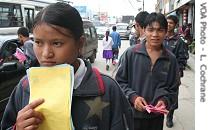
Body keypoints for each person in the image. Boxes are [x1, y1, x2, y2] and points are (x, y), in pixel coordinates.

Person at [1, 2, 133, 130]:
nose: (46, 54)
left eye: (57, 43)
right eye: (38, 42)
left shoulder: (106, 89)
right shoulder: (25, 87)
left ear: (79, 44)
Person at [115, 12, 180, 130]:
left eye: (160, 30)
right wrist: (133, 97)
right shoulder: (131, 54)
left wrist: (165, 100)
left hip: (156, 118)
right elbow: (119, 82)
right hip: (132, 115)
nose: (155, 34)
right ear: (144, 30)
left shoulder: (171, 59)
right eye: (151, 29)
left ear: (166, 32)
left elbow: (173, 88)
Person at [163, 15, 188, 128]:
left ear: (175, 25)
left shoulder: (179, 41)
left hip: (173, 75)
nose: (168, 25)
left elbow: (182, 59)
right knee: (158, 94)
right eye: (167, 22)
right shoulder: (160, 38)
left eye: (171, 23)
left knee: (172, 96)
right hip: (159, 74)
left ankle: (169, 117)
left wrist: (178, 73)